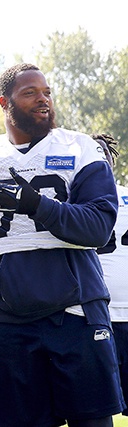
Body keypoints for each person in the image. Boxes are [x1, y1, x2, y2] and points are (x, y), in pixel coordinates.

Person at [0, 63, 124, 426]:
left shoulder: (80, 148)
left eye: (47, 93)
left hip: (76, 310)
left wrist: (36, 205)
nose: (43, 100)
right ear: (4, 102)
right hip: (12, 318)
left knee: (91, 421)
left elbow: (98, 227)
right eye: (30, 93)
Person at [93, 133, 128, 417]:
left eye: (104, 150)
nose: (100, 156)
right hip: (91, 315)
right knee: (91, 410)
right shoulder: (69, 202)